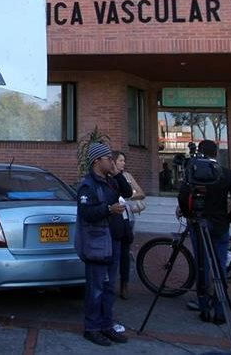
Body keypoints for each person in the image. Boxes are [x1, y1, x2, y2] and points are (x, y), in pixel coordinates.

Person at [177, 139, 231, 325]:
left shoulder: (194, 170)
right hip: (221, 225)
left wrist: (189, 215)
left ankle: (204, 306)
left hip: (200, 224)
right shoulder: (228, 174)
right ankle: (220, 310)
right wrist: (229, 219)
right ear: (217, 153)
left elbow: (182, 196)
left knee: (202, 265)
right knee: (219, 267)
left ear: (200, 151)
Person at [75, 142, 132, 347]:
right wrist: (108, 209)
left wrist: (117, 174)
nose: (111, 161)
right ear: (97, 161)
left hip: (114, 241)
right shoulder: (88, 185)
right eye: (108, 158)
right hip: (98, 243)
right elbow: (87, 213)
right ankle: (92, 328)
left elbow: (128, 193)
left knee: (109, 287)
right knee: (96, 287)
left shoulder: (111, 181)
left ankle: (106, 325)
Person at [113, 151, 146, 300]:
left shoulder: (126, 177)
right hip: (113, 218)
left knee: (125, 253)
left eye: (124, 161)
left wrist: (125, 195)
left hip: (126, 218)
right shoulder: (107, 177)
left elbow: (141, 193)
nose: (123, 163)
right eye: (120, 160)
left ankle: (124, 284)